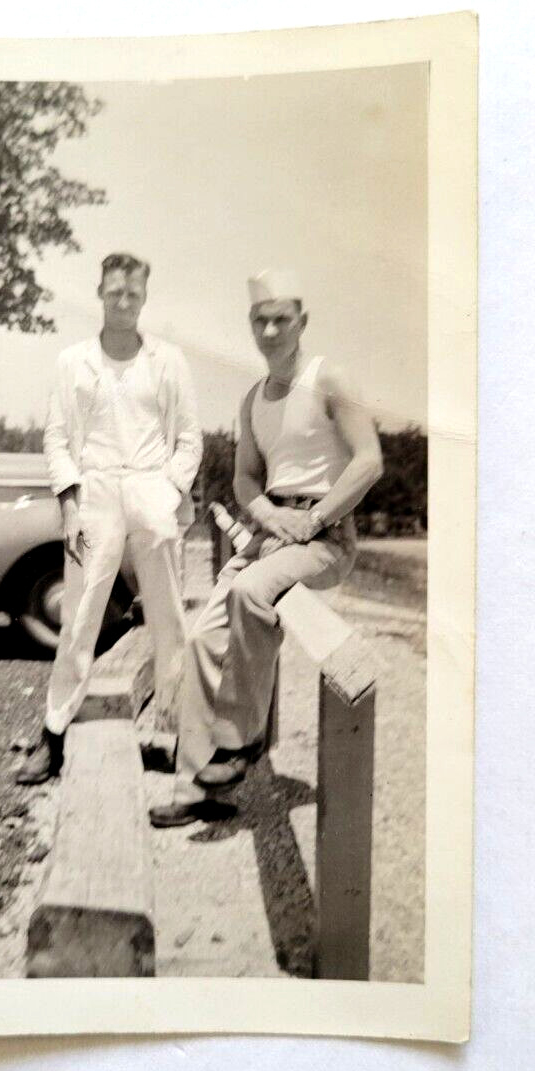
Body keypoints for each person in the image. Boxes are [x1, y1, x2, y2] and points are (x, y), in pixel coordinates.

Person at [149, 269, 383, 826]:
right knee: (203, 639)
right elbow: (245, 480)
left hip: (326, 536)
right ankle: (198, 791)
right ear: (250, 326)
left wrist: (315, 518)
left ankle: (239, 742)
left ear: (302, 322)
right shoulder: (253, 397)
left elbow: (369, 461)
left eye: (282, 319)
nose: (271, 330)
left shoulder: (329, 379)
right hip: (271, 533)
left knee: (251, 592)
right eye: (261, 321)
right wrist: (272, 517)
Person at [17, 252, 202, 784]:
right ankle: (54, 735)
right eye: (115, 292)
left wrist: (168, 492)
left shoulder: (168, 360)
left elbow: (190, 438)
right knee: (78, 620)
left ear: (145, 297)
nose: (124, 302)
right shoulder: (73, 361)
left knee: (168, 620)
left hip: (151, 488)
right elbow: (57, 438)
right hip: (94, 492)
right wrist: (69, 504)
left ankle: (170, 735)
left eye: (133, 293)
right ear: (99, 292)